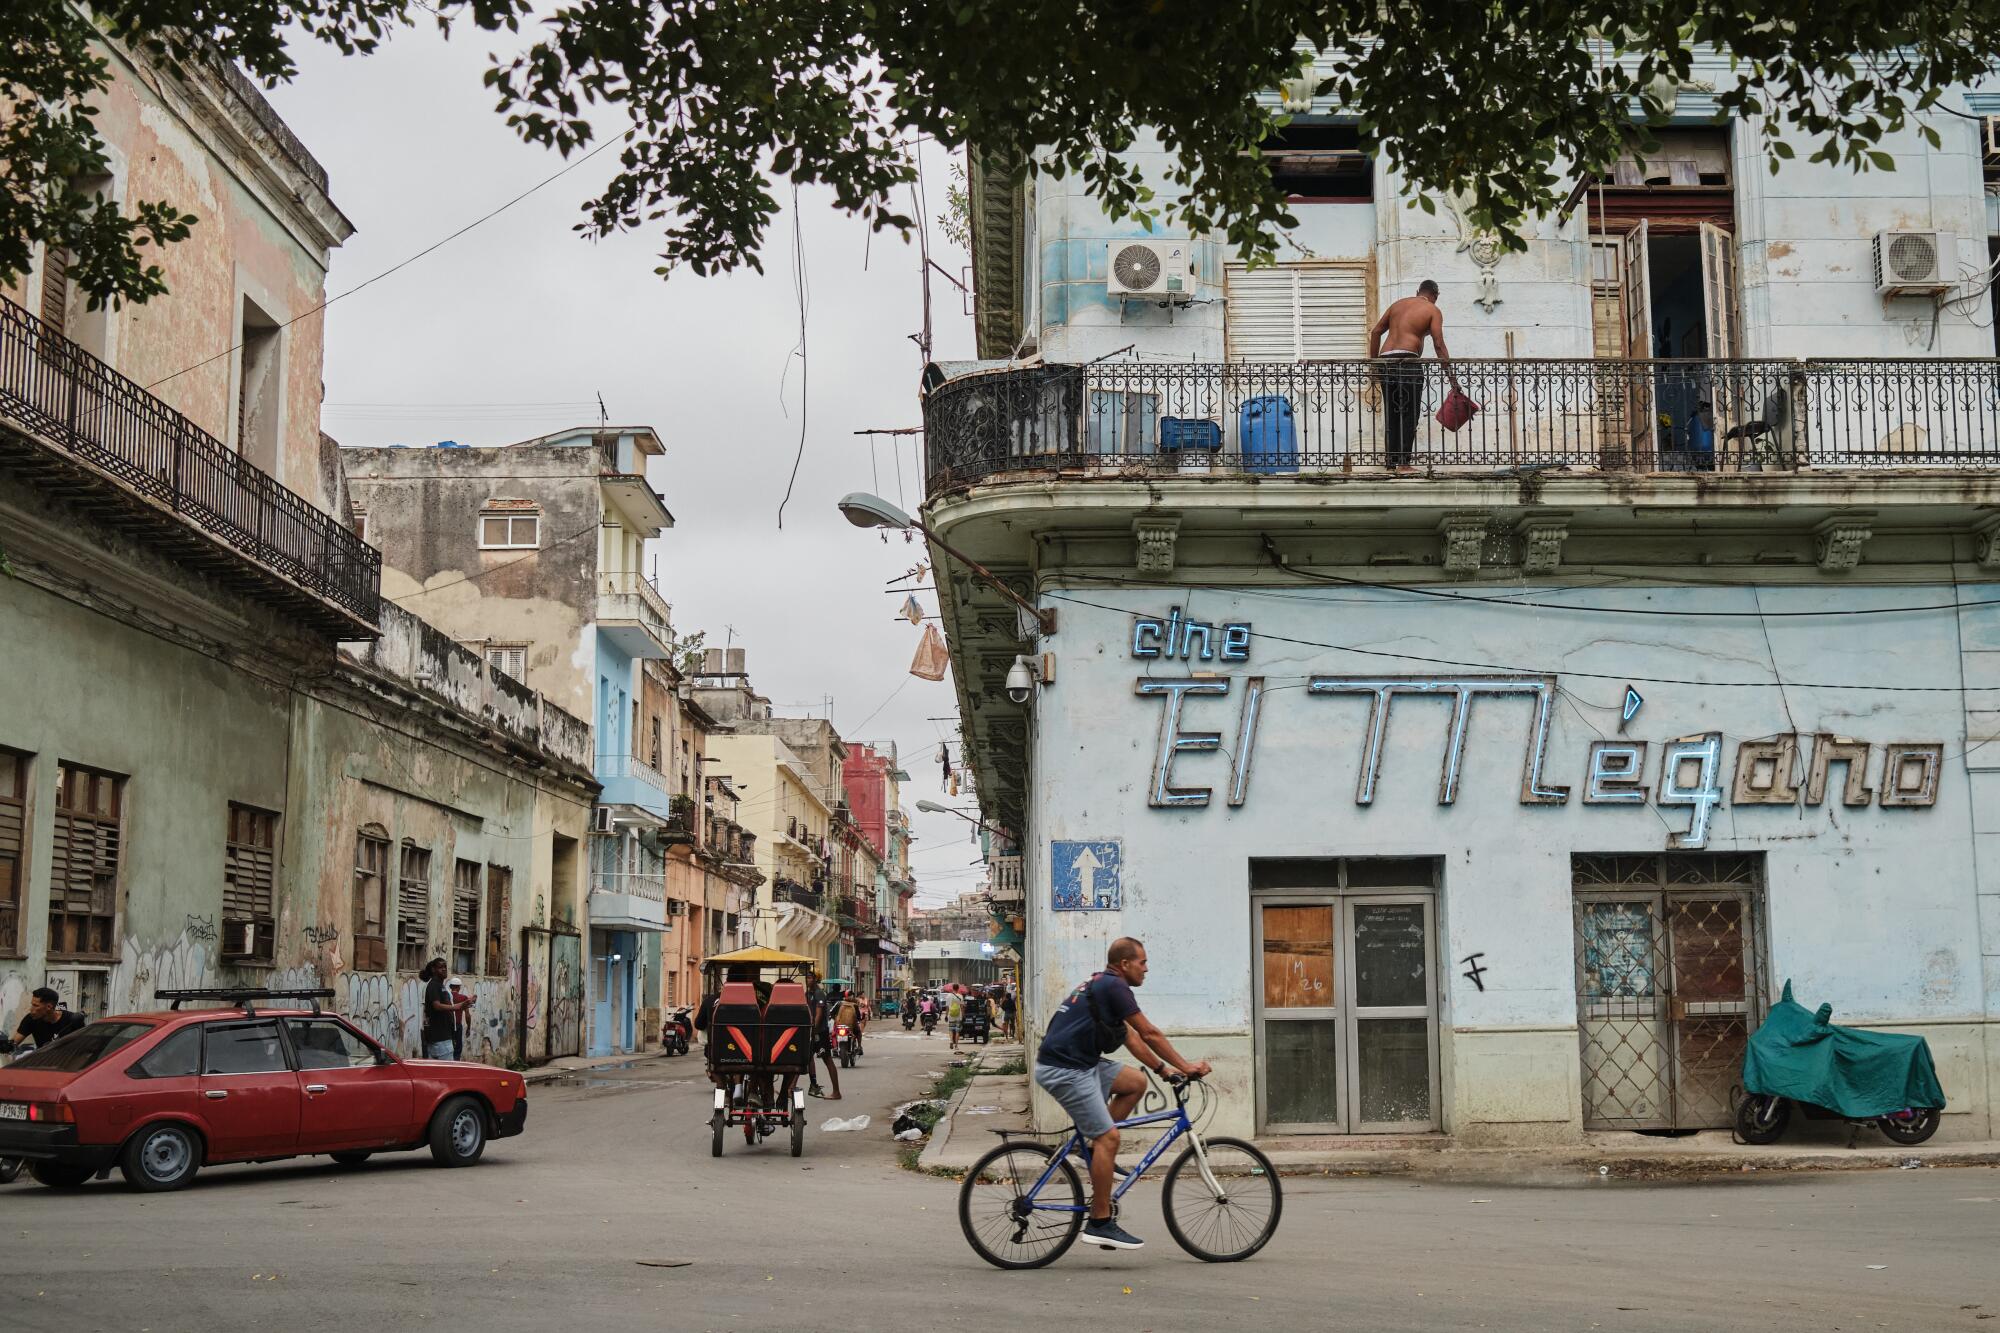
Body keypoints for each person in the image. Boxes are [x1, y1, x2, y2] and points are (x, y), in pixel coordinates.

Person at [1034, 937, 1211, 1253]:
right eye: (1142, 962)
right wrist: (1187, 1066)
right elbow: (1149, 1032)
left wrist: (1163, 1070)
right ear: (1125, 964)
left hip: (1081, 1063)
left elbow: (1131, 1037)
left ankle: (1093, 1150)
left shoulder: (1105, 986)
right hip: (1065, 1069)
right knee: (1110, 1139)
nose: (1146, 969)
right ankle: (1100, 1222)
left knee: (1134, 1083)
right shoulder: (1114, 987)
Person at [1367, 279, 1458, 470]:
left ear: (1418, 291)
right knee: (1409, 414)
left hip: (1385, 361)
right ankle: (1403, 464)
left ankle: (1391, 463)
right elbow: (1439, 344)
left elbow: (1376, 332)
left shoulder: (1397, 305)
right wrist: (1452, 379)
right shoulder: (1432, 310)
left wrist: (1374, 365)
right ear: (1435, 296)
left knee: (1392, 413)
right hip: (1407, 362)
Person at [0, 986, 87, 1054]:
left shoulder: (71, 1020)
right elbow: (13, 1043)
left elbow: (85, 1047)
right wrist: (5, 1045)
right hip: (43, 1064)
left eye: (35, 1005)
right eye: (32, 1005)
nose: (31, 1009)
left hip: (68, 1066)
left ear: (49, 1007)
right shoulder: (31, 1019)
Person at [420, 958, 467, 1060]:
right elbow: (436, 1005)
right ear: (433, 970)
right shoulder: (434, 985)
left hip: (444, 1037)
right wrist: (457, 1006)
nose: (444, 969)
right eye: (441, 967)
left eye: (445, 967)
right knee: (447, 1073)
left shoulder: (440, 986)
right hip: (440, 1039)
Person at [807, 981, 842, 1100]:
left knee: (827, 1059)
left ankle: (836, 1092)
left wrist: (813, 1030)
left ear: (815, 979)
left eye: (810, 977)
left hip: (820, 1032)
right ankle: (810, 1085)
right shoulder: (808, 994)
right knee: (805, 1058)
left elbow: (819, 1014)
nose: (807, 979)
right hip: (811, 1032)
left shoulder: (819, 993)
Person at [447, 977, 472, 1061]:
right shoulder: (463, 998)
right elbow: (467, 1015)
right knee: (457, 1049)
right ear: (459, 987)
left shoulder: (446, 996)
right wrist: (468, 1027)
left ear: (450, 987)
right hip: (457, 1025)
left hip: (447, 1026)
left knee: (447, 1048)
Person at [945, 983, 965, 1052]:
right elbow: (962, 1007)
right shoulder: (960, 996)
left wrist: (946, 1015)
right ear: (958, 988)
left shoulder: (948, 996)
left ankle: (951, 1041)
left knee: (951, 1029)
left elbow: (947, 1007)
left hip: (951, 1015)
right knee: (957, 1031)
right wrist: (963, 1015)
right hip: (958, 1015)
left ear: (952, 988)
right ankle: (956, 1045)